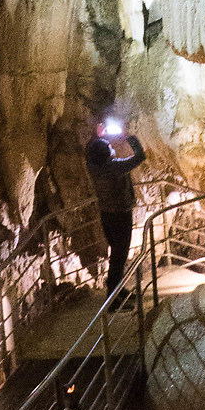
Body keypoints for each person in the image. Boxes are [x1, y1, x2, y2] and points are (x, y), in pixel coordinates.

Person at [84, 118, 146, 295]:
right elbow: (140, 156)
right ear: (107, 153)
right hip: (121, 215)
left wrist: (96, 137)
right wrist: (130, 138)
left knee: (116, 254)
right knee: (120, 255)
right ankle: (114, 295)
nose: (112, 147)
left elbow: (89, 152)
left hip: (106, 215)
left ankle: (118, 289)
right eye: (109, 147)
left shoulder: (93, 167)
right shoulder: (115, 167)